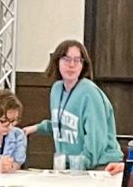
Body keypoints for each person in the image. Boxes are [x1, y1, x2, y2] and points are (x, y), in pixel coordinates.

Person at [31, 39, 120, 171]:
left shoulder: (89, 93)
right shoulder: (56, 89)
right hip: (69, 165)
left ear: (83, 65)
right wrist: (34, 129)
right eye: (66, 59)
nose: (71, 65)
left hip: (98, 166)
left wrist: (80, 166)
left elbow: (95, 136)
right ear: (57, 61)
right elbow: (62, 123)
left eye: (77, 60)